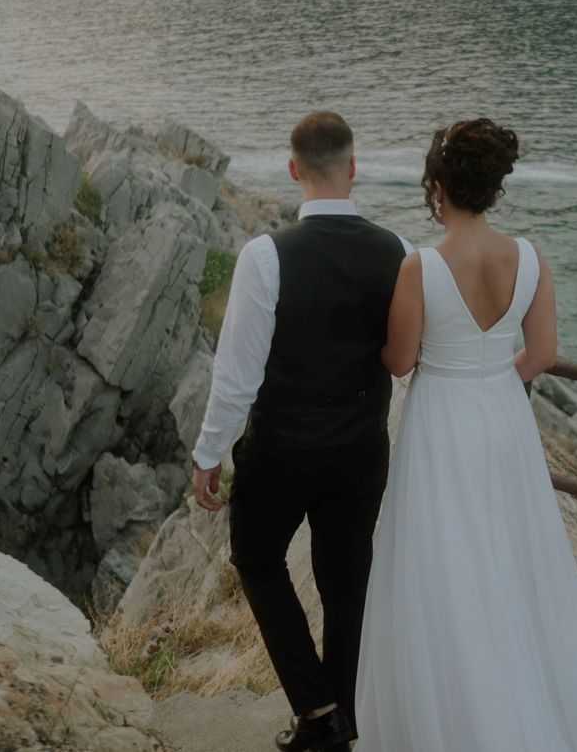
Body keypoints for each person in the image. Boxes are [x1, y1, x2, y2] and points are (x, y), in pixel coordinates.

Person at [354, 118, 577, 751]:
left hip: (441, 421)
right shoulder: (528, 257)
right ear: (494, 187)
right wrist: (495, 379)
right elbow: (544, 353)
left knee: (445, 567)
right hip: (503, 418)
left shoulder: (420, 267)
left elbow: (400, 360)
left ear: (437, 188)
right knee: (516, 561)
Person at [189, 111, 409, 752]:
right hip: (361, 449)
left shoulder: (266, 256)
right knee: (346, 580)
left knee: (257, 561)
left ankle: (319, 714)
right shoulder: (397, 249)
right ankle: (341, 717)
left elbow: (237, 375)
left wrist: (210, 453)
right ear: (353, 166)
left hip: (283, 449)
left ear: (293, 169)